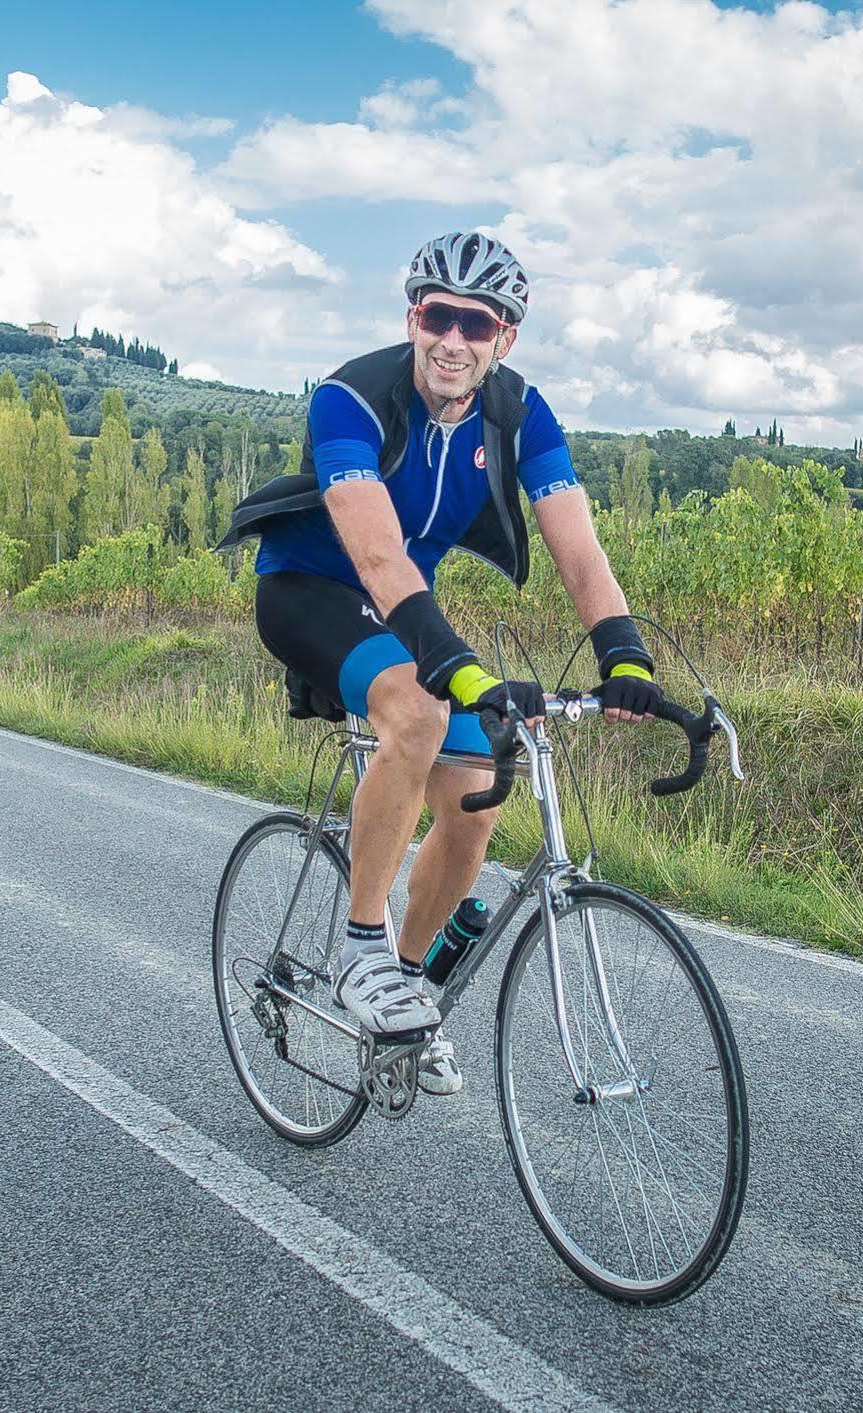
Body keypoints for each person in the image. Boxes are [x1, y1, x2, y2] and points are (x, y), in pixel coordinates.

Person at [219, 231, 663, 1096]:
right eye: (436, 316)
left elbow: (577, 547)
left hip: (406, 612)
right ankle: (358, 949)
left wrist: (623, 652)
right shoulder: (352, 397)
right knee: (417, 714)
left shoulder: (518, 413)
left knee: (474, 804)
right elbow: (379, 560)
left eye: (477, 321)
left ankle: (407, 987)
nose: (452, 339)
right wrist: (454, 665)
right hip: (313, 589)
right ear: (411, 317)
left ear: (506, 337)